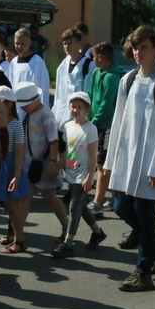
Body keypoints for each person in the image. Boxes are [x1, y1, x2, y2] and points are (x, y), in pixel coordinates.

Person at [104, 26, 155, 292]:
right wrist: (111, 161)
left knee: (145, 212)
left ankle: (143, 271)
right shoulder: (128, 80)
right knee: (120, 207)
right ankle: (154, 244)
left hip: (151, 163)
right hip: (128, 159)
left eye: (145, 47)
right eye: (136, 48)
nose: (139, 53)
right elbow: (119, 123)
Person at [14, 81, 68, 248]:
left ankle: (67, 228)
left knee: (50, 198)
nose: (22, 108)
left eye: (25, 105)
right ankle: (18, 236)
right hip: (31, 166)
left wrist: (53, 163)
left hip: (45, 166)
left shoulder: (46, 115)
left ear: (34, 100)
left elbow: (53, 141)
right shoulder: (29, 114)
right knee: (25, 199)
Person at [52, 91, 106, 258]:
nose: (75, 110)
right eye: (73, 106)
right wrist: (59, 165)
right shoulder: (68, 126)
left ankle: (68, 243)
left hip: (83, 175)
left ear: (87, 110)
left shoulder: (90, 129)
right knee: (80, 205)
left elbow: (92, 155)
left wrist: (90, 177)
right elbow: (68, 151)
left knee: (74, 207)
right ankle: (97, 232)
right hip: (71, 172)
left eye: (80, 107)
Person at [86, 42, 125, 214]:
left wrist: (93, 121)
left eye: (94, 56)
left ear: (100, 57)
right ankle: (116, 198)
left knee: (103, 165)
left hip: (108, 127)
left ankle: (98, 202)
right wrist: (87, 117)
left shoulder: (112, 77)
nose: (93, 59)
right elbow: (90, 95)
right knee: (103, 163)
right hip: (96, 124)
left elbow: (106, 104)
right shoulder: (96, 72)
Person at [0, 86, 30, 256]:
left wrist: (16, 176)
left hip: (8, 168)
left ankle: (19, 239)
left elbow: (19, 153)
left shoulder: (16, 125)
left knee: (11, 207)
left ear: (8, 104)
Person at [52, 28, 95, 134]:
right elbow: (58, 93)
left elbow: (89, 94)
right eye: (64, 43)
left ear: (79, 43)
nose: (67, 46)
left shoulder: (88, 65)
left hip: (78, 117)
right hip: (61, 116)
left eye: (70, 43)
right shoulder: (63, 65)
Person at [10, 28, 50, 108]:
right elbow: (11, 85)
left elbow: (43, 87)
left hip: (32, 107)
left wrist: (40, 108)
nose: (19, 46)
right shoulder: (13, 63)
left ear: (29, 43)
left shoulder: (37, 61)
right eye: (17, 43)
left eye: (23, 43)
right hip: (17, 106)